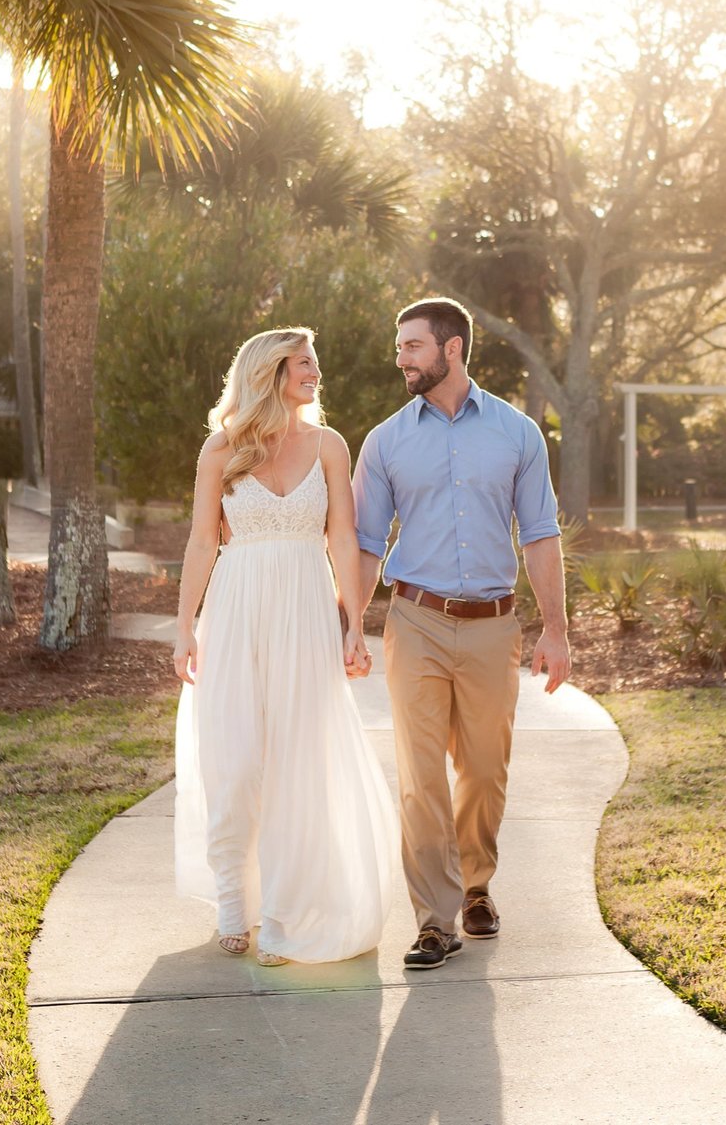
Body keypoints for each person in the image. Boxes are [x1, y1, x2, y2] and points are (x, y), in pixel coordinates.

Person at [353, 297, 572, 970]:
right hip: (413, 618)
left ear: (451, 349)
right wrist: (350, 624)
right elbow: (365, 542)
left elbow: (540, 536)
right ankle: (433, 918)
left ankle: (477, 883)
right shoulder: (386, 440)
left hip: (491, 623)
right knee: (420, 774)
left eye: (411, 346)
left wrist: (556, 629)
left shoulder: (516, 433)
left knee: (482, 768)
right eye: (399, 346)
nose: (400, 358)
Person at [172, 327, 397, 967]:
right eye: (304, 362)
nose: (316, 372)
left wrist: (355, 623)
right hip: (236, 611)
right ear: (270, 371)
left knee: (299, 764)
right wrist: (184, 624)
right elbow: (200, 543)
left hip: (304, 608)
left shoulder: (329, 445)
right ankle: (231, 905)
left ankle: (280, 915)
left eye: (315, 361)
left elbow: (343, 540)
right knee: (235, 761)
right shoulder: (220, 450)